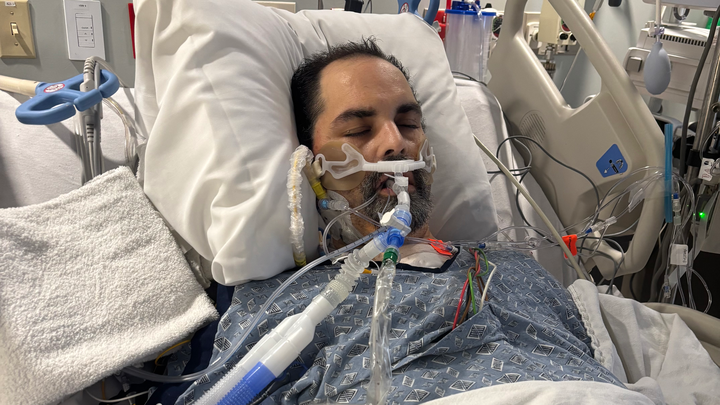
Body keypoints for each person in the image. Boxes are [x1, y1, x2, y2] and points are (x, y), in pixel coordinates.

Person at [170, 39, 626, 405]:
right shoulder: (283, 304)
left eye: (408, 124)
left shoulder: (517, 269)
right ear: (312, 168)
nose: (396, 144)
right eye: (358, 130)